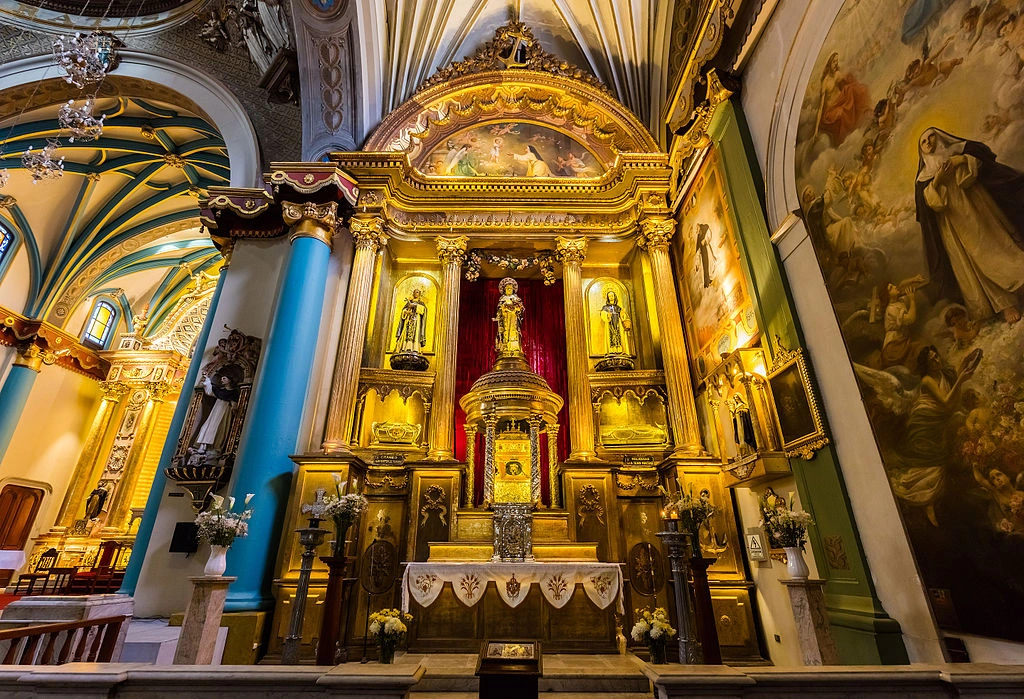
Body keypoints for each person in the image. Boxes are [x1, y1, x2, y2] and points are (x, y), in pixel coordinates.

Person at [915, 127, 1024, 324]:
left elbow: (973, 173)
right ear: (921, 149)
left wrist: (962, 160)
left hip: (978, 208)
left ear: (940, 138)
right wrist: (938, 180)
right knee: (976, 261)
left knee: (1000, 246)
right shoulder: (923, 176)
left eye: (932, 137)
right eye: (924, 141)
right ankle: (1005, 304)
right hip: (953, 223)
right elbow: (933, 204)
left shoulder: (957, 151)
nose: (929, 143)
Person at [814, 52, 870, 147]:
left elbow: (847, 80)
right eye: (834, 62)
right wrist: (815, 131)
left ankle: (862, 120)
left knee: (853, 89)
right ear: (829, 64)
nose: (836, 64)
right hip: (830, 112)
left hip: (840, 102)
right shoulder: (825, 83)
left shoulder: (837, 74)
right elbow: (820, 107)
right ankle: (844, 141)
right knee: (841, 112)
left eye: (837, 61)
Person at [192, 372, 240, 454]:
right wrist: (207, 379)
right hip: (216, 410)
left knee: (219, 429)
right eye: (221, 379)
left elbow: (234, 403)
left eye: (224, 378)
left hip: (224, 411)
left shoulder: (233, 392)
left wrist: (234, 407)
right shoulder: (220, 391)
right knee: (208, 426)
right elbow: (209, 391)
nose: (222, 380)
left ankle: (213, 448)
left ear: (230, 380)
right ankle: (202, 446)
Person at [495, 278, 524, 355]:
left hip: (513, 318)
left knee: (513, 332)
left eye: (510, 288)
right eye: (507, 288)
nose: (509, 290)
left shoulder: (516, 299)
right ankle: (505, 347)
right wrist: (503, 310)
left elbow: (521, 309)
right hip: (505, 319)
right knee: (505, 332)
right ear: (504, 290)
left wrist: (517, 309)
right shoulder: (502, 299)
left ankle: (514, 347)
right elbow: (499, 310)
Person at [394, 288, 428, 353]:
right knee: (406, 333)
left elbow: (423, 310)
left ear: (420, 294)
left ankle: (415, 348)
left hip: (416, 320)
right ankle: (405, 347)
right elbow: (403, 311)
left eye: (417, 292)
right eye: (415, 292)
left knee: (415, 334)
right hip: (408, 319)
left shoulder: (421, 303)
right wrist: (406, 312)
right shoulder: (409, 302)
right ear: (413, 293)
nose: (416, 293)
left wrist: (415, 306)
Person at [600, 290, 631, 355]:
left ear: (614, 297)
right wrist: (607, 315)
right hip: (610, 323)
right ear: (607, 298)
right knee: (611, 335)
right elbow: (602, 314)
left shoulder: (618, 307)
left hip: (617, 323)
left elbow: (623, 317)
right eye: (609, 296)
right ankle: (611, 351)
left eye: (612, 296)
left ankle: (620, 350)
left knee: (619, 336)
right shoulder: (605, 307)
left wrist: (623, 313)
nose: (611, 297)